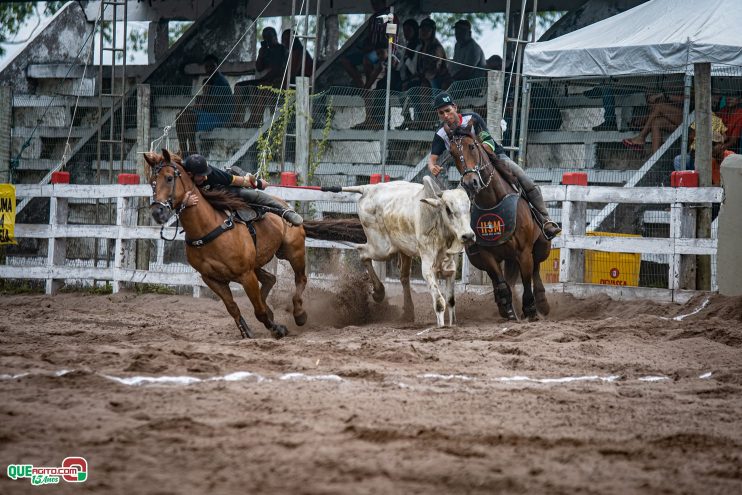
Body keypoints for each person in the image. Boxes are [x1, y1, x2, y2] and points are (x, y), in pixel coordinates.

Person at [427, 92, 561, 239]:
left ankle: (545, 220)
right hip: (468, 172)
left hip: (495, 157)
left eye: (448, 111)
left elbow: (488, 141)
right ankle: (458, 237)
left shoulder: (472, 119)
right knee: (457, 202)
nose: (446, 115)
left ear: (455, 107)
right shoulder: (441, 134)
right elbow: (432, 158)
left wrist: (478, 153)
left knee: (526, 180)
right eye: (441, 113)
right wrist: (432, 166)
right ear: (438, 115)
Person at [181, 154, 303, 227]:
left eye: (205, 174)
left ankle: (286, 212)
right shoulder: (179, 180)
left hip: (220, 193)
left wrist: (258, 183)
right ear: (190, 174)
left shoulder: (213, 173)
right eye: (201, 175)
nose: (205, 177)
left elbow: (236, 180)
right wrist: (183, 202)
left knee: (250, 195)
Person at [175, 55, 234, 156]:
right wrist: (200, 104)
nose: (209, 69)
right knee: (179, 116)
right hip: (209, 115)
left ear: (217, 66)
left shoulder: (220, 82)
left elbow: (212, 106)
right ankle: (184, 151)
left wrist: (201, 104)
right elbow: (205, 104)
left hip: (220, 118)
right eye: (207, 67)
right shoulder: (211, 81)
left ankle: (192, 148)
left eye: (212, 66)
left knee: (186, 115)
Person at [233, 27, 289, 127]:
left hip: (276, 80)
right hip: (264, 79)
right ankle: (237, 118)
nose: (267, 40)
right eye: (265, 38)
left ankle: (256, 119)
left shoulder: (281, 49)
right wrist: (261, 54)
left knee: (261, 86)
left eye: (269, 37)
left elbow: (280, 69)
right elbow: (259, 68)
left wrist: (271, 76)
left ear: (274, 37)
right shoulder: (264, 50)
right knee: (238, 86)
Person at [396, 19, 422, 130]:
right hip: (406, 80)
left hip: (417, 79)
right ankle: (406, 119)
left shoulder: (418, 46)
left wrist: (406, 58)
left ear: (415, 31)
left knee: (412, 88)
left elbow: (414, 69)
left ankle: (419, 121)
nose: (406, 33)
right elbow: (400, 67)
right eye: (404, 30)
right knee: (396, 86)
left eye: (409, 30)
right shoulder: (408, 46)